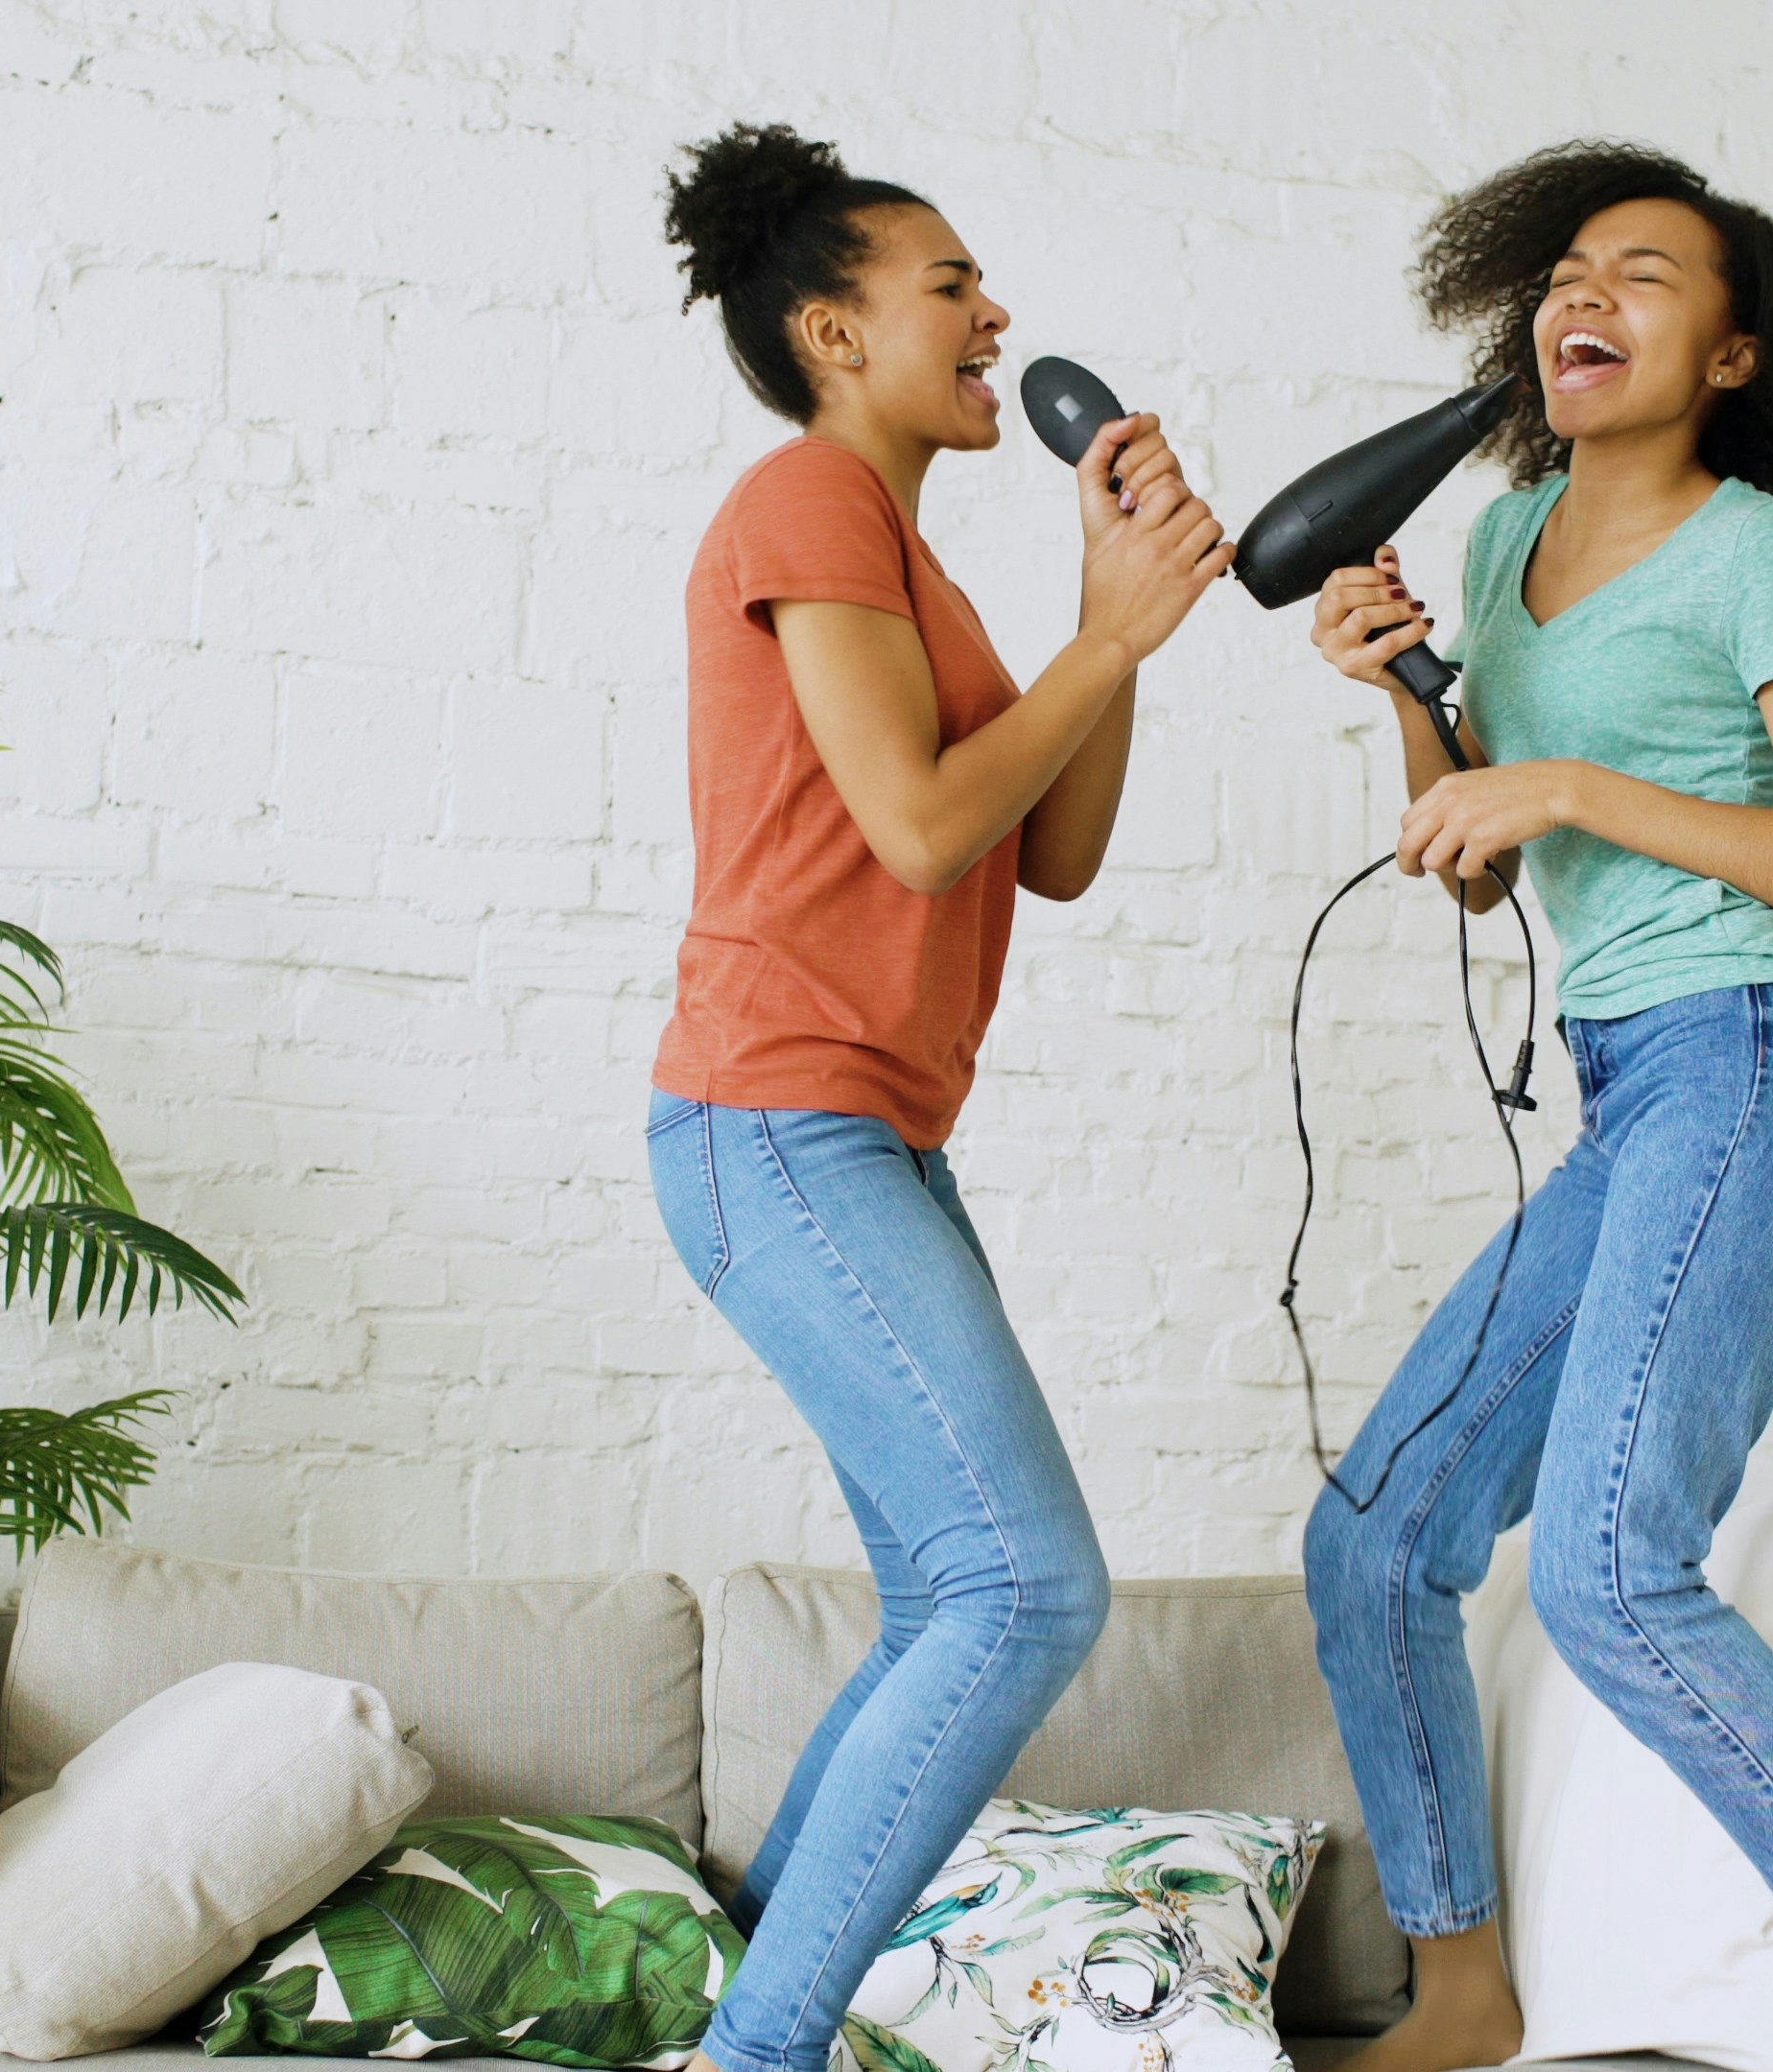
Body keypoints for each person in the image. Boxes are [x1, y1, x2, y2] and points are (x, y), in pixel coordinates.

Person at [1298, 140, 1773, 2072]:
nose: (1588, 293)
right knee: (1373, 1536)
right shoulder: (1503, 547)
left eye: (1647, 274)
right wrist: (1409, 699)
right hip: (1631, 1084)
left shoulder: (1755, 548)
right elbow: (1482, 863)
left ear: (1736, 358)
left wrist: (1572, 786)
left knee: (1604, 1564)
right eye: (1571, 268)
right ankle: (1460, 1992)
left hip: (1767, 1056)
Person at [643, 122, 1235, 2072]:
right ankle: (763, 2049)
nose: (997, 317)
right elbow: (914, 829)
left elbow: (1045, 849)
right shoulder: (807, 495)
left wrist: (1107, 606)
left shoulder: (914, 566)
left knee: (946, 1605)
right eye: (951, 287)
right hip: (776, 1116)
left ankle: (735, 2009)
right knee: (1025, 1590)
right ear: (831, 332)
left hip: (866, 1132)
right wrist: (1106, 637)